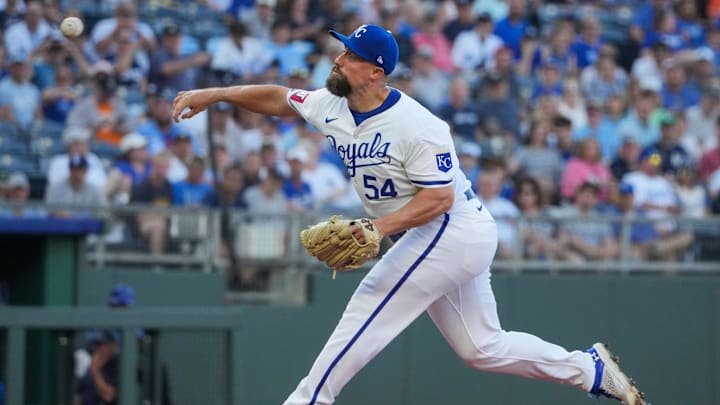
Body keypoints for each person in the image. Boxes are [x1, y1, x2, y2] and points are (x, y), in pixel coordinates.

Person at [172, 24, 645, 405]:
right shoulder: (331, 104)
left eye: (351, 56)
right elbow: (280, 98)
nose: (338, 60)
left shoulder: (418, 125)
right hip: (432, 235)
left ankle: (308, 399)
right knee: (480, 348)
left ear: (376, 72)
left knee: (373, 296)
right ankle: (590, 370)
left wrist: (377, 228)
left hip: (452, 229)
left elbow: (438, 198)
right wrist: (217, 93)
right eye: (342, 51)